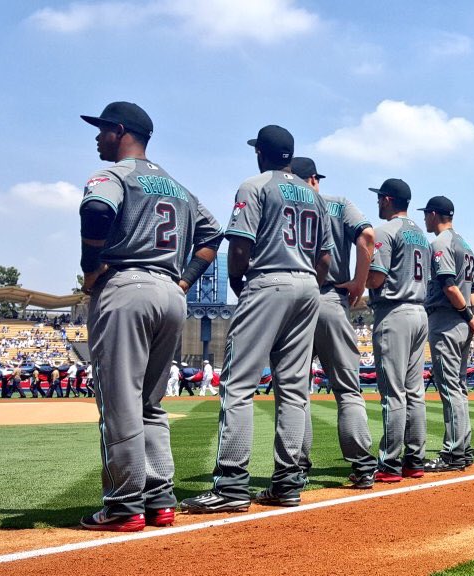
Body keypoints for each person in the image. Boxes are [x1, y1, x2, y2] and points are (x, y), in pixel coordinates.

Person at [78, 101, 223, 531]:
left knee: (121, 403)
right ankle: (160, 499)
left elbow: (97, 210)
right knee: (151, 405)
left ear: (121, 130)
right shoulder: (179, 187)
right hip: (170, 294)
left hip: (127, 287)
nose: (98, 137)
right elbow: (214, 234)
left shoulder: (113, 175)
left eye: (102, 129)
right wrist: (186, 279)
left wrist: (89, 268)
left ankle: (124, 506)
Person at [181, 124, 330, 513]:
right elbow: (326, 259)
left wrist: (238, 282)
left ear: (261, 152)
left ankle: (231, 485)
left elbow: (240, 245)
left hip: (268, 281)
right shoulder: (315, 198)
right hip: (308, 285)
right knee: (295, 389)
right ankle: (288, 484)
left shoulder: (255, 185)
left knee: (238, 383)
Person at [290, 157, 379, 488]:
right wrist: (360, 281)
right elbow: (367, 237)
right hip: (330, 299)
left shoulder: (281, 200)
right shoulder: (339, 204)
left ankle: (294, 469)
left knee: (295, 390)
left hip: (293, 301)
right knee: (347, 388)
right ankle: (362, 465)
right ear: (314, 179)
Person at [364, 178, 431, 482]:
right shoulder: (422, 234)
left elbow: (377, 278)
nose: (378, 203)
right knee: (414, 392)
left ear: (389, 200)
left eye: (380, 198)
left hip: (394, 312)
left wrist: (359, 281)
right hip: (420, 312)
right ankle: (414, 459)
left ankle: (390, 463)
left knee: (393, 393)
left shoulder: (386, 231)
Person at [418, 195, 474, 471]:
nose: (425, 219)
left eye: (427, 214)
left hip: (447, 320)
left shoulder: (440, 243)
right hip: (462, 320)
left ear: (435, 215)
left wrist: (469, 316)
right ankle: (463, 449)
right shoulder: (466, 244)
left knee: (449, 388)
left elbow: (447, 284)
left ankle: (454, 452)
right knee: (458, 386)